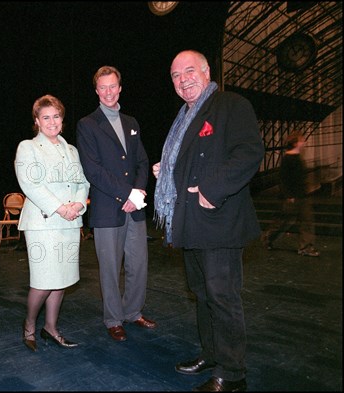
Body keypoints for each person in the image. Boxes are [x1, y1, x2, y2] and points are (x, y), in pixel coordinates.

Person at [152, 50, 264, 392]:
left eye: (189, 71)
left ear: (206, 72)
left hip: (218, 219)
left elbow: (249, 152)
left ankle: (232, 374)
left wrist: (211, 191)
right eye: (175, 75)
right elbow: (188, 160)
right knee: (201, 294)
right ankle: (212, 354)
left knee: (222, 296)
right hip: (190, 224)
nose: (183, 79)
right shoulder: (183, 116)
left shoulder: (231, 105)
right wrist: (166, 170)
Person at [76, 65, 156, 343]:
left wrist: (139, 192)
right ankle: (113, 318)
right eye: (103, 87)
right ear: (96, 91)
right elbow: (93, 170)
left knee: (139, 264)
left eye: (113, 86)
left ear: (120, 88)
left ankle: (133, 311)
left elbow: (142, 162)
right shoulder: (87, 124)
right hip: (108, 209)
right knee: (109, 267)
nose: (109, 92)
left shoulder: (132, 122)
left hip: (134, 209)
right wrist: (128, 195)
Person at [14, 94, 90, 352]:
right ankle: (29, 325)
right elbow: (30, 184)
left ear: (62, 119)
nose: (52, 121)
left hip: (69, 221)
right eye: (45, 117)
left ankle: (51, 328)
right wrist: (60, 208)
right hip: (42, 222)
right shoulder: (28, 147)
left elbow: (83, 182)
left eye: (56, 116)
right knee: (44, 280)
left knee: (63, 279)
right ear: (37, 121)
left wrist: (78, 205)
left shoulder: (71, 150)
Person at [261, 132, 320, 257]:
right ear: (295, 143)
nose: (303, 142)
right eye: (301, 140)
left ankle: (305, 247)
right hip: (292, 197)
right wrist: (289, 196)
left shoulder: (298, 157)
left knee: (307, 221)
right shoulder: (288, 158)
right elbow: (283, 179)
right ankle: (268, 237)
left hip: (301, 196)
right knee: (284, 221)